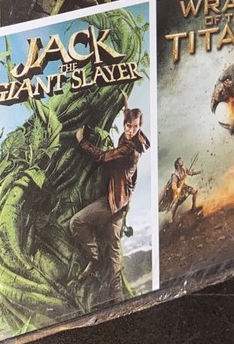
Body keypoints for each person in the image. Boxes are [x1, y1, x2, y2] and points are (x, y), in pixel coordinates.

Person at [70, 108, 149, 301]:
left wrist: (81, 141)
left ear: (140, 127)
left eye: (135, 127)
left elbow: (103, 156)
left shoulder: (129, 148)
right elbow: (131, 121)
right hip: (122, 200)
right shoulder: (138, 139)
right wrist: (127, 109)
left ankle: (95, 258)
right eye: (128, 126)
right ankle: (117, 296)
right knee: (114, 248)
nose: (131, 130)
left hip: (113, 201)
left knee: (76, 222)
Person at [167, 156, 202, 222]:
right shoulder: (175, 175)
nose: (182, 161)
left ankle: (193, 207)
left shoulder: (184, 169)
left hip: (184, 187)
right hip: (177, 191)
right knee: (176, 203)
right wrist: (177, 190)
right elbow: (173, 185)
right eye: (180, 161)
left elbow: (190, 173)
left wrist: (199, 172)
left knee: (195, 191)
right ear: (177, 164)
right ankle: (171, 218)